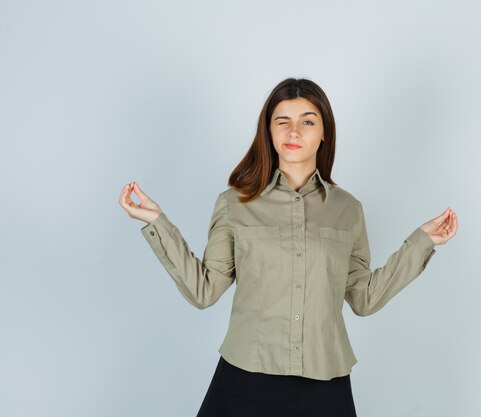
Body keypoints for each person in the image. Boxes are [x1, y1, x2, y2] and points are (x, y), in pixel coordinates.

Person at [118, 77, 458, 416]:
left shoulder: (347, 210)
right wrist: (157, 223)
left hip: (325, 385)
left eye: (307, 121)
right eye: (283, 121)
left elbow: (363, 297)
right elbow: (203, 290)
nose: (294, 131)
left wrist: (421, 242)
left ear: (324, 132)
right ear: (269, 130)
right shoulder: (234, 203)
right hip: (245, 379)